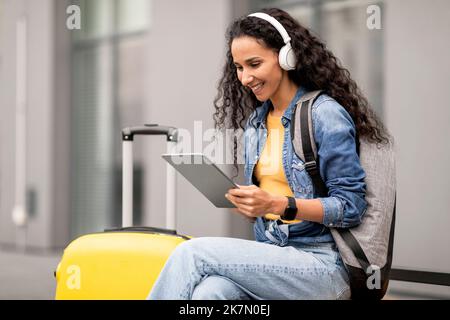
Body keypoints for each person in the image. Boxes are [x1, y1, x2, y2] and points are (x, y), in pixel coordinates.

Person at [147, 7, 390, 300]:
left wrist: (279, 203)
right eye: (239, 67)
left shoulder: (324, 114)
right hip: (273, 255)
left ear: (287, 57)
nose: (246, 77)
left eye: (254, 64)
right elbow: (269, 207)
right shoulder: (256, 125)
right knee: (210, 293)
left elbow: (349, 207)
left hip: (323, 265)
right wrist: (249, 204)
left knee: (191, 253)